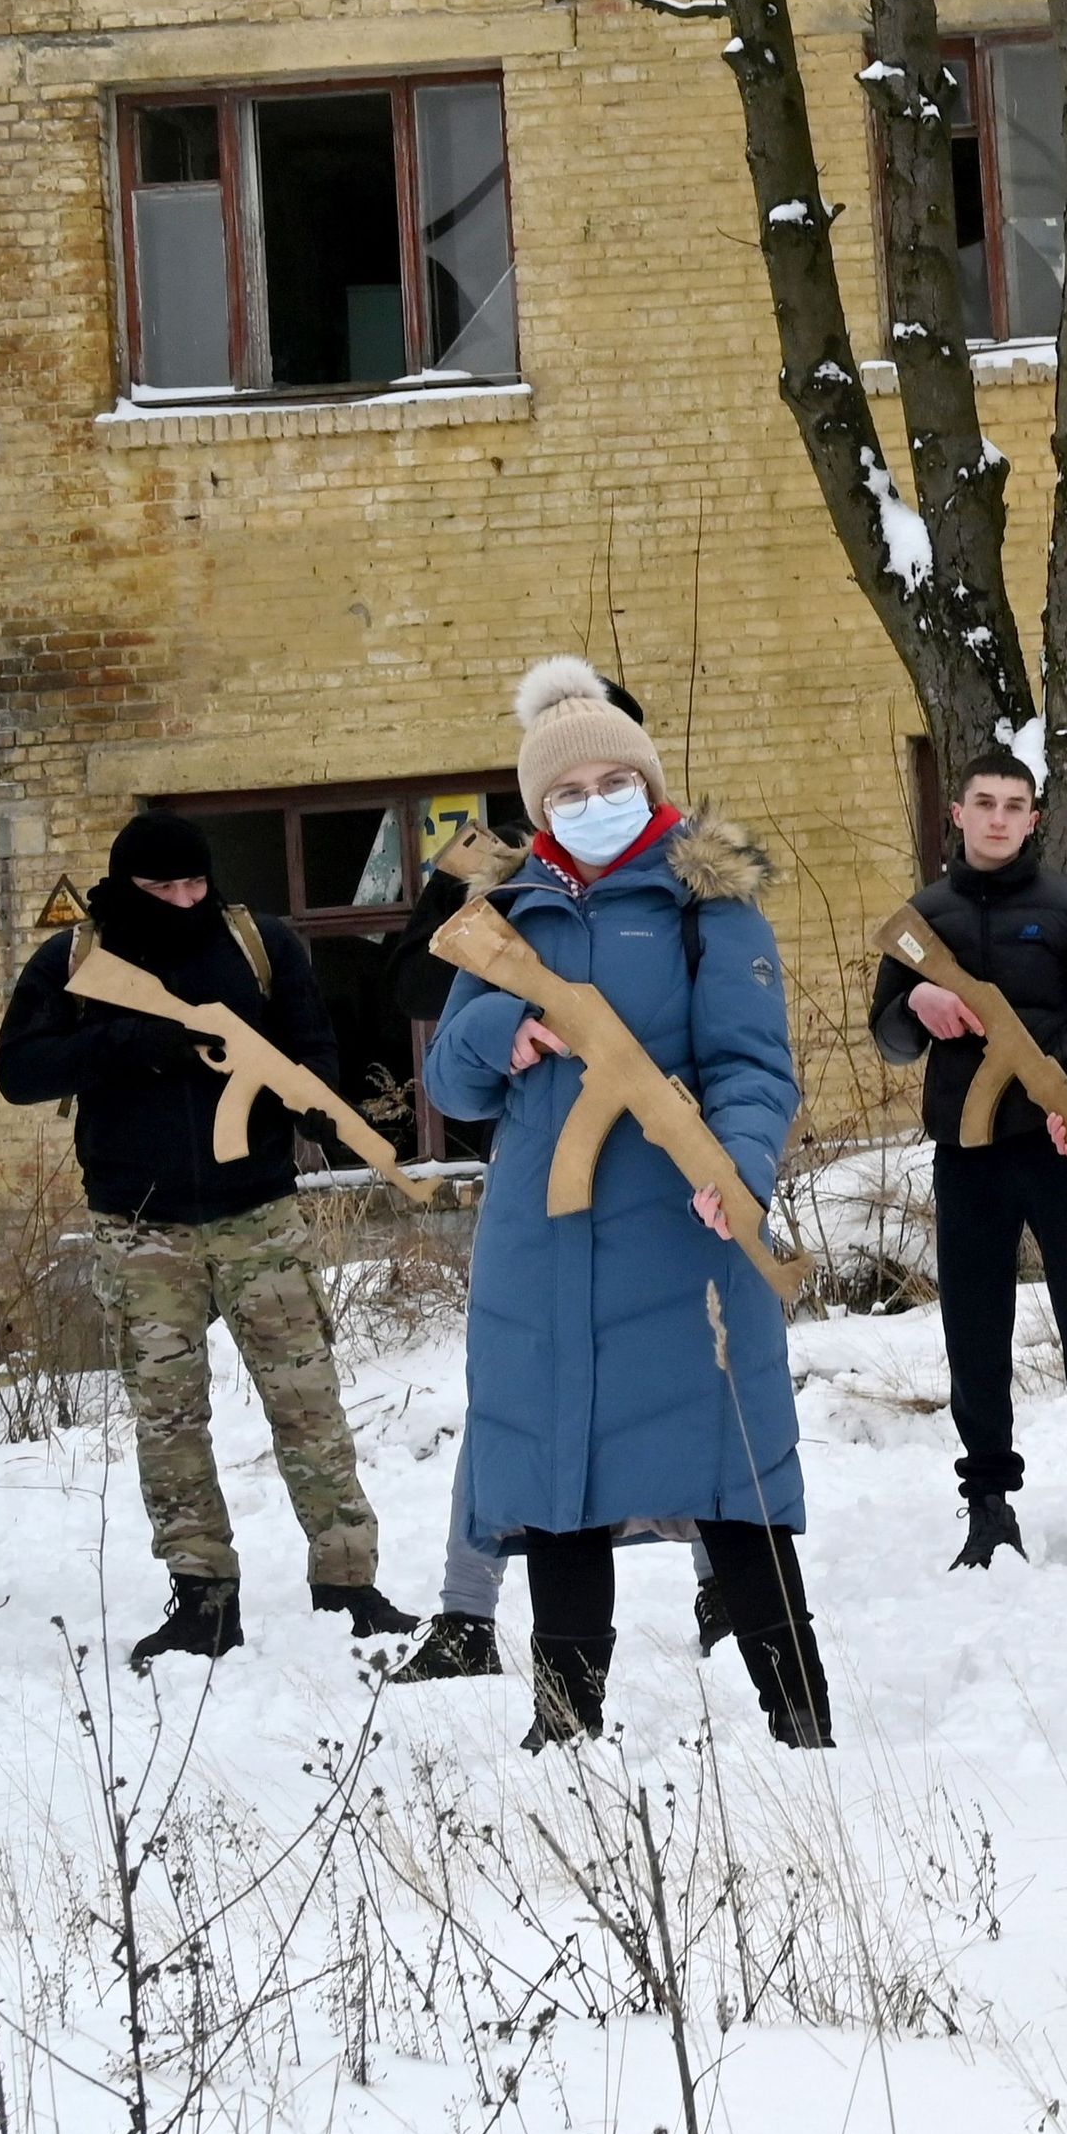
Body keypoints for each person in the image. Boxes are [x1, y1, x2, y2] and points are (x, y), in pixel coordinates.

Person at [423, 660, 834, 1746]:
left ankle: (801, 1724)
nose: (593, 801)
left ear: (648, 785)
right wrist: (491, 1035)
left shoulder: (710, 903)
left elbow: (755, 1067)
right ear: (539, 807)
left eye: (615, 780)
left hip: (683, 1231)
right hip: (541, 1243)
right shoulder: (505, 914)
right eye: (568, 791)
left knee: (732, 1481)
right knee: (560, 1495)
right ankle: (565, 1731)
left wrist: (738, 1164)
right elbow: (450, 1087)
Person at [0, 808, 414, 1667]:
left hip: (259, 1212)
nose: (184, 900)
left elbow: (316, 1048)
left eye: (196, 883)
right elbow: (18, 1069)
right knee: (168, 1419)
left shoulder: (261, 944)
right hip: (141, 1223)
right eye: (163, 888)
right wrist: (136, 1040)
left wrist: (309, 1098)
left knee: (309, 1405)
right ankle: (202, 1595)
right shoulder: (74, 959)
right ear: (125, 885)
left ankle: (347, 1582)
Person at [869, 746, 1067, 1569]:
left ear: (1034, 817)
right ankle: (987, 1506)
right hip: (970, 1154)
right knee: (975, 1336)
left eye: (1013, 804)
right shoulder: (923, 919)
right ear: (956, 814)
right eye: (982, 802)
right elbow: (888, 1035)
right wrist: (916, 999)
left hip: (1063, 1145)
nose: (997, 817)